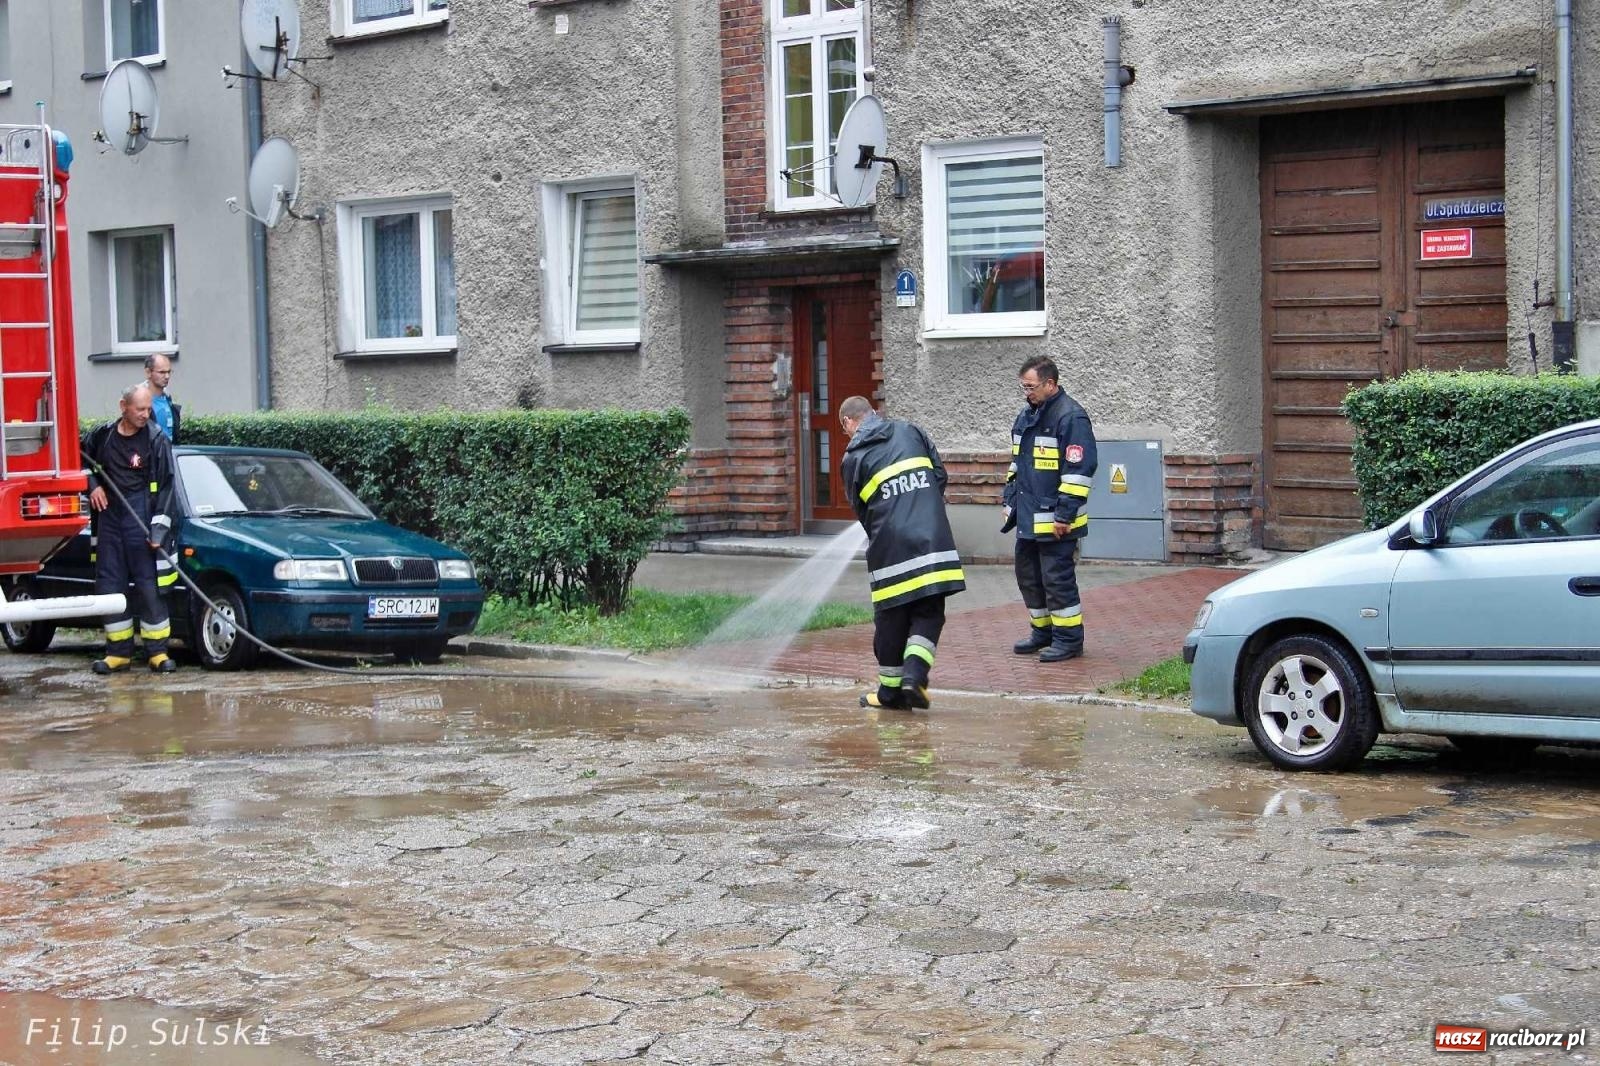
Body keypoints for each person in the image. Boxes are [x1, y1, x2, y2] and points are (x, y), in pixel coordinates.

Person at [839, 395, 966, 710]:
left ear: (848, 423)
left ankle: (889, 693)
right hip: (930, 536)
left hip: (889, 544)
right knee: (928, 611)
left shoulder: (852, 458)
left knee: (892, 616)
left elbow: (861, 510)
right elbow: (939, 476)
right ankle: (913, 677)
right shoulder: (911, 431)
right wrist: (921, 510)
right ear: (873, 413)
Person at [1003, 355, 1097, 663]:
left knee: (1057, 581)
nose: (1026, 393)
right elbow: (1017, 465)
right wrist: (1009, 501)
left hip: (1057, 522)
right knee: (1029, 577)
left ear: (1050, 384)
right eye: (1023, 387)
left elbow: (1078, 472)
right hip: (1028, 519)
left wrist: (1064, 515)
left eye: (1030, 387)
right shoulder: (1026, 417)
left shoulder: (1071, 418)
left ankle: (1069, 640)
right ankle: (1041, 632)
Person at [82, 382, 178, 674]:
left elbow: (167, 488)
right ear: (123, 407)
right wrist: (93, 485)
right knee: (111, 585)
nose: (145, 414)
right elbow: (79, 459)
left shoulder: (156, 439)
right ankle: (118, 652)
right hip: (110, 518)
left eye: (148, 409)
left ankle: (157, 652)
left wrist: (158, 530)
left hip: (142, 519)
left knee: (150, 587)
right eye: (140, 409)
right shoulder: (102, 436)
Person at [143, 353, 181, 442]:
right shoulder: (139, 400)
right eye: (162, 372)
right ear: (148, 372)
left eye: (169, 372)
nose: (167, 376)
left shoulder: (169, 399)